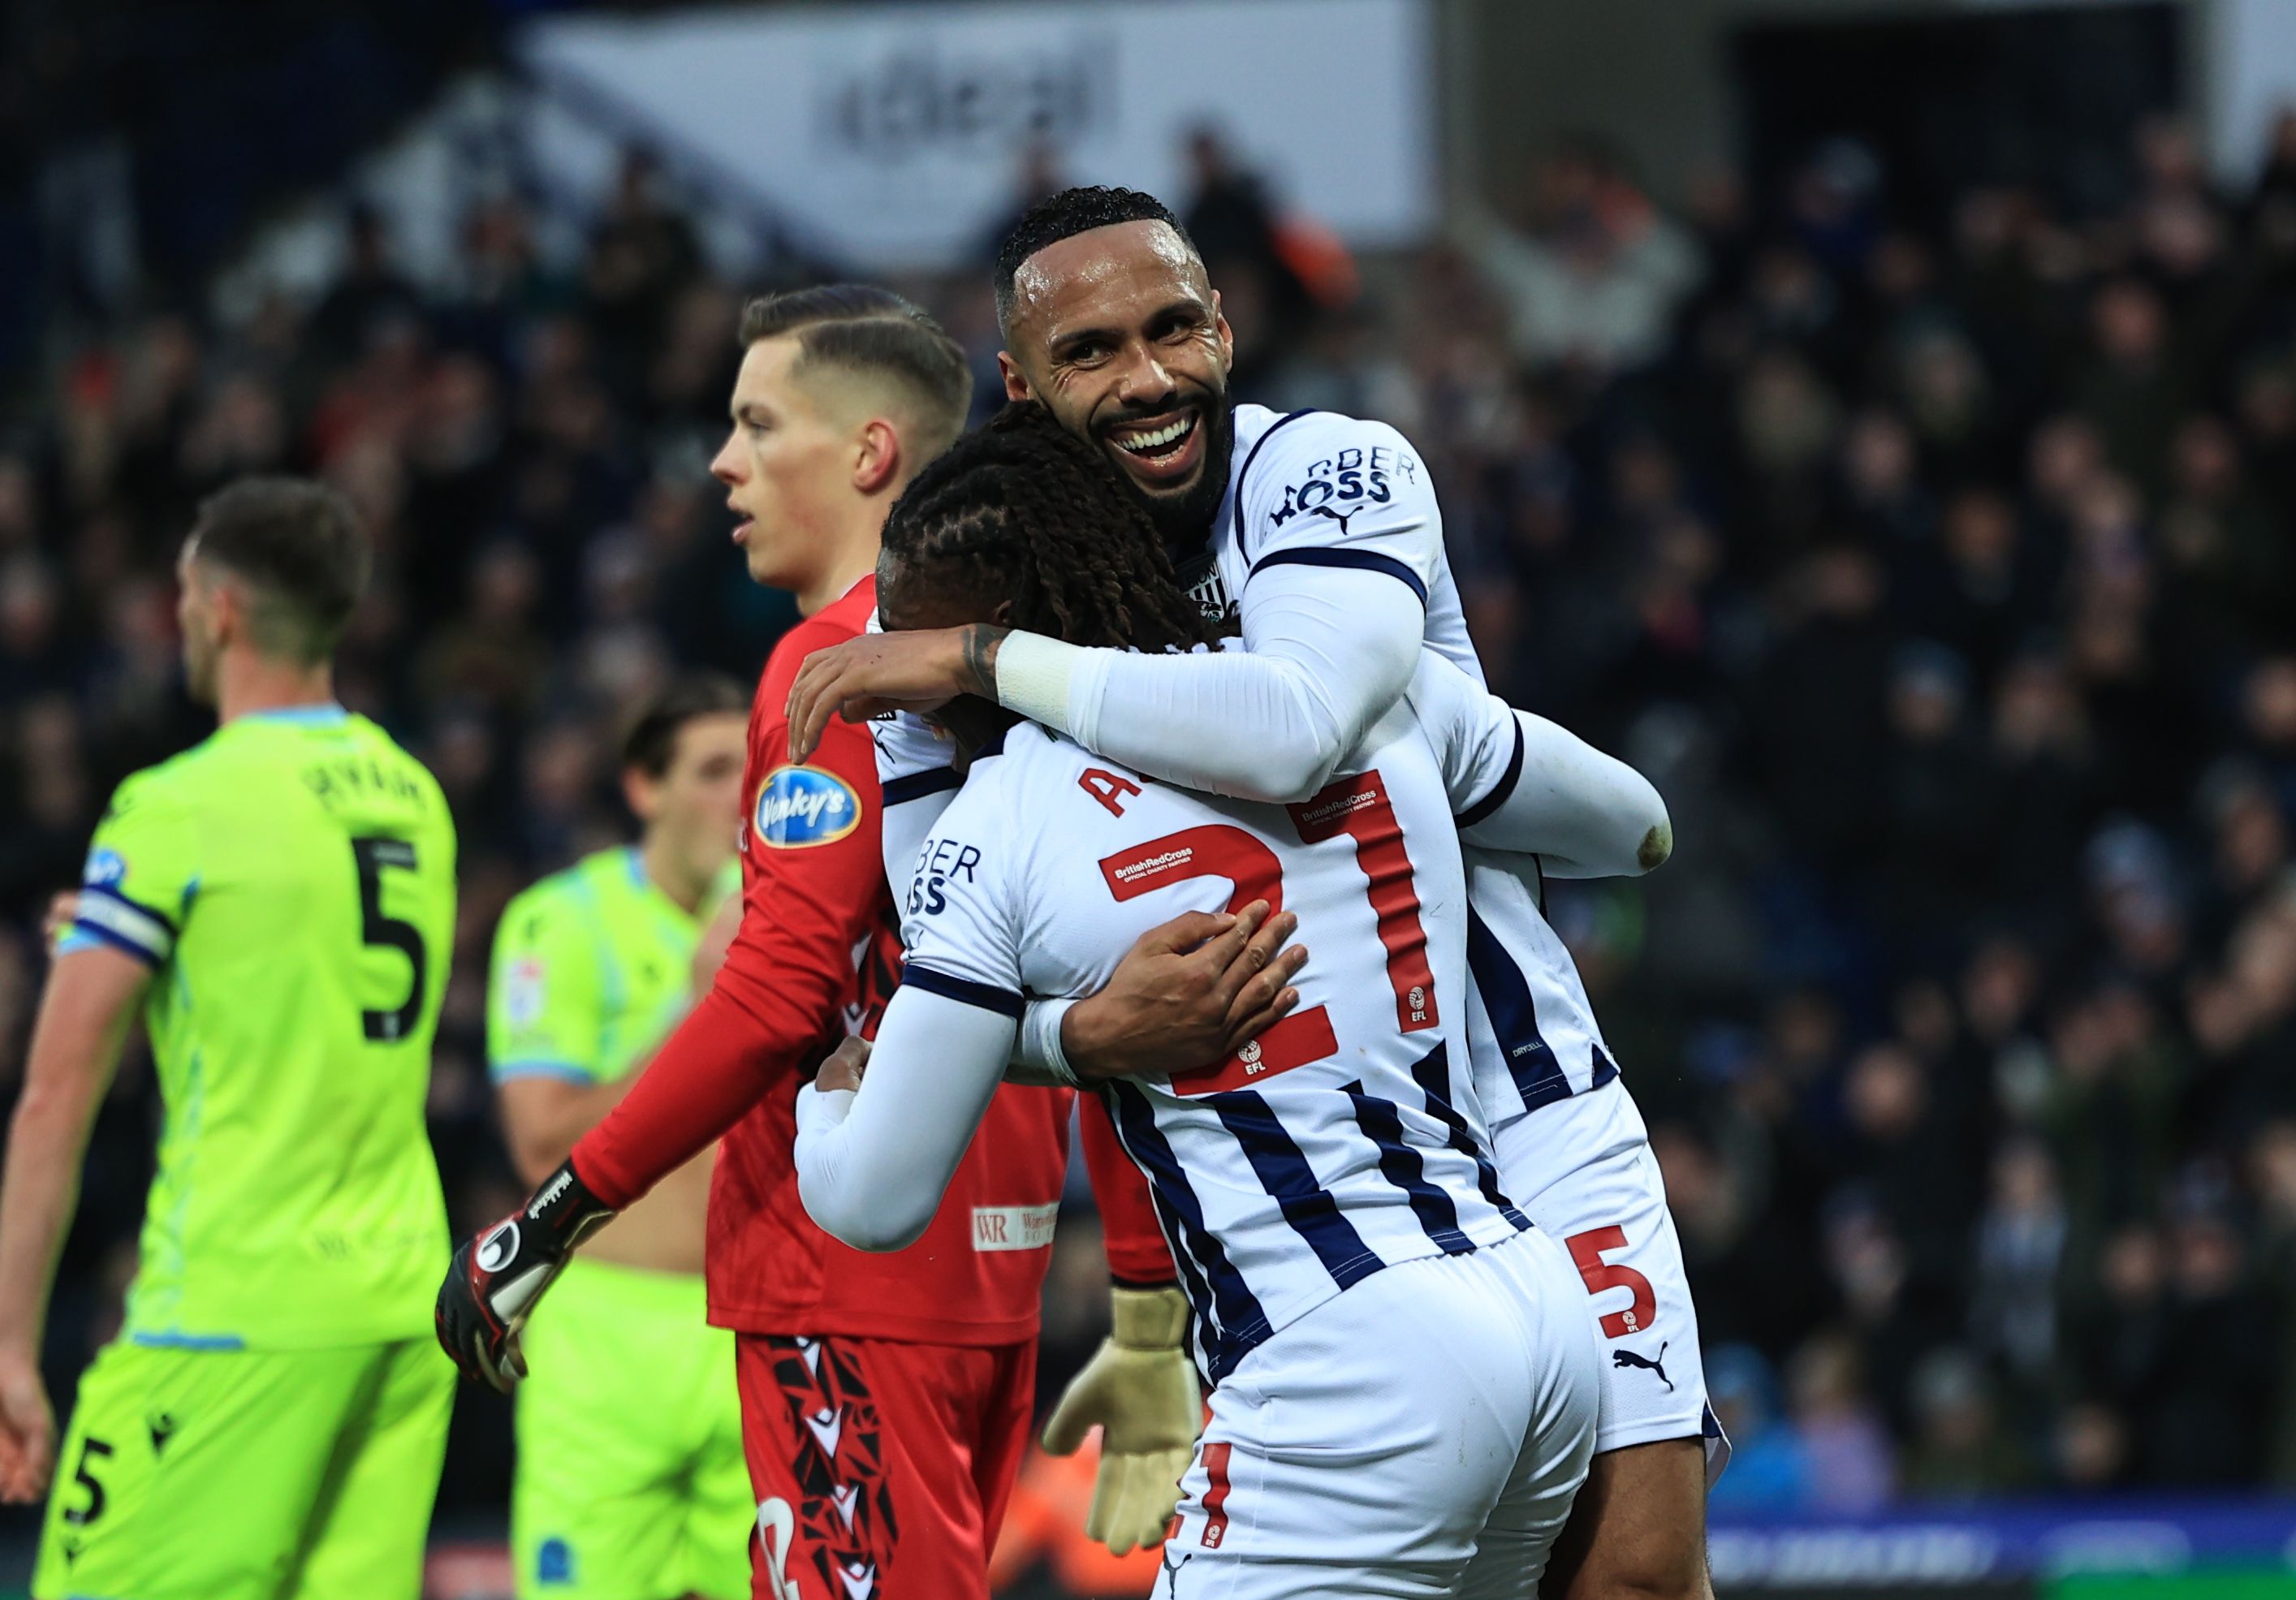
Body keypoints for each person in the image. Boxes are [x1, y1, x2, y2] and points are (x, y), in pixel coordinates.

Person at [788, 188, 1722, 1600]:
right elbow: (959, 952)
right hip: (1327, 1189)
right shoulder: (959, 588)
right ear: (1022, 386)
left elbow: (1287, 728)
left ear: (1227, 328)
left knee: (1635, 1578)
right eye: (1093, 351)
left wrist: (983, 663)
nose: (1149, 378)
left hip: (1518, 1099)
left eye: (1173, 330)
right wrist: (1079, 1037)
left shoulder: (1322, 475)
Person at [437, 285, 1304, 1598]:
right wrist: (1141, 1299)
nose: (722, 462)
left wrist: (548, 1222)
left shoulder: (835, 662)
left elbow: (779, 996)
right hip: (990, 1284)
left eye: (754, 423)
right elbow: (1123, 1003)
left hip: (844, 1284)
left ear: (867, 454)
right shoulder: (1054, 654)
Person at [0, 478, 456, 1600]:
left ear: (221, 609)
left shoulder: (179, 803)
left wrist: (10, 1346)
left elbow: (56, 1093)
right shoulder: (412, 792)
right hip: (400, 1305)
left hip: (232, 1312)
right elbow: (292, 1000)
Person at [486, 675, 752, 1600]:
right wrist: (701, 1003)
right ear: (646, 789)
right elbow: (537, 1146)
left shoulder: (798, 920)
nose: (739, 795)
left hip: (757, 1321)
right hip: (607, 1332)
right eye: (713, 770)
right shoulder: (557, 924)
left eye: (754, 771)